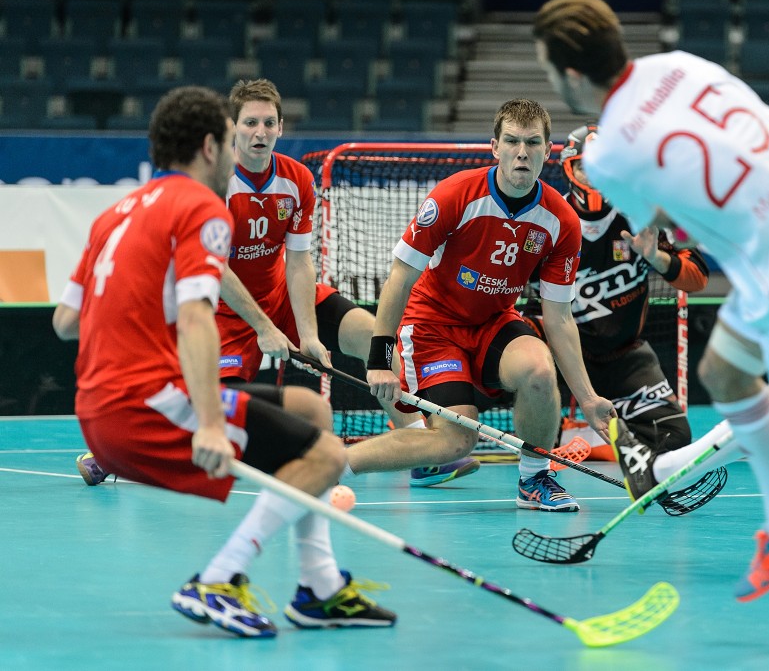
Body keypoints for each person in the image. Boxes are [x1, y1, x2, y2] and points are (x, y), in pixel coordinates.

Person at [534, 0, 769, 643]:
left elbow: (660, 225)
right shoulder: (680, 66)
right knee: (725, 371)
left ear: (566, 74)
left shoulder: (613, 155)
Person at [53, 86, 395, 638]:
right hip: (142, 405)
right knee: (328, 457)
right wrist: (210, 423)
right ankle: (217, 579)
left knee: (311, 412)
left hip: (96, 407)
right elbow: (194, 318)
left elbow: (64, 324)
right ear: (212, 146)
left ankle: (319, 588)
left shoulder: (116, 212)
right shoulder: (200, 207)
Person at [75, 78, 478, 490]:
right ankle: (114, 452)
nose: (260, 132)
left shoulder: (297, 179)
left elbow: (299, 262)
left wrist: (307, 335)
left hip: (282, 297)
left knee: (370, 337)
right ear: (232, 129)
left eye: (269, 123)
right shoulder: (215, 185)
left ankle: (415, 446)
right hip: (223, 316)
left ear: (281, 128)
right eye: (250, 122)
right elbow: (218, 269)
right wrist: (264, 328)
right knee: (214, 413)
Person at [348, 97, 616, 512]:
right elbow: (400, 276)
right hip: (433, 327)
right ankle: (336, 464)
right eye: (512, 141)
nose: (521, 152)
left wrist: (589, 396)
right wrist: (382, 357)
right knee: (456, 440)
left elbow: (559, 318)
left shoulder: (560, 220)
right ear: (495, 147)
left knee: (539, 370)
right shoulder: (455, 195)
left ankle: (534, 481)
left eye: (532, 142)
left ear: (548, 152)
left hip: (494, 322)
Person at [523, 122, 712, 458]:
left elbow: (697, 278)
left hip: (624, 355)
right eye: (584, 166)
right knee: (507, 363)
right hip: (559, 352)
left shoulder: (644, 216)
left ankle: (585, 439)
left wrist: (657, 257)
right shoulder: (543, 221)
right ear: (569, 169)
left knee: (674, 438)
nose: (593, 176)